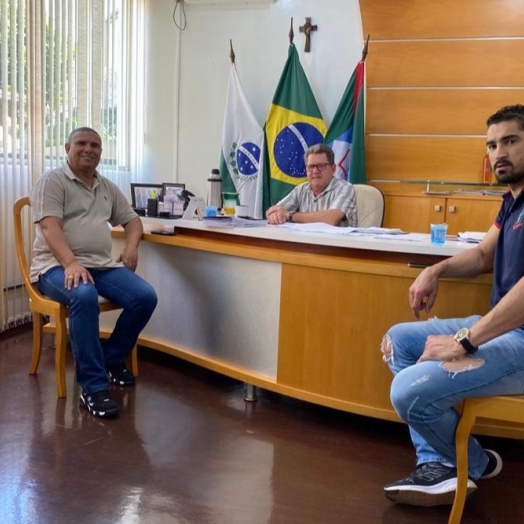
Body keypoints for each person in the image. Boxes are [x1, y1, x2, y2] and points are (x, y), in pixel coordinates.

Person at [380, 104, 524, 507]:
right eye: (493, 144)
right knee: (399, 341)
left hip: (522, 341)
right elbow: (481, 256)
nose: (499, 153)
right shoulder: (512, 200)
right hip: (504, 328)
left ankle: (462, 462)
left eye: (511, 141)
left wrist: (465, 341)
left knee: (406, 391)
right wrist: (435, 270)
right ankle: (449, 463)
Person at [30, 127, 158, 419]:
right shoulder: (53, 181)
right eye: (81, 143)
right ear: (67, 147)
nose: (89, 149)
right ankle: (93, 387)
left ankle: (111, 359)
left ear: (101, 152)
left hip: (100, 265)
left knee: (145, 296)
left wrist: (131, 247)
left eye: (95, 145)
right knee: (84, 296)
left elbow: (132, 220)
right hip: (54, 266)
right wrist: (71, 263)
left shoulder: (106, 186)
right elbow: (50, 227)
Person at [265, 144, 357, 227]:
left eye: (321, 166)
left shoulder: (345, 188)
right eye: (311, 166)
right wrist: (275, 216)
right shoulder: (301, 189)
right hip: (306, 243)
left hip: (336, 244)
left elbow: (331, 219)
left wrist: (291, 215)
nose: (315, 171)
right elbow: (272, 212)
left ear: (333, 169)